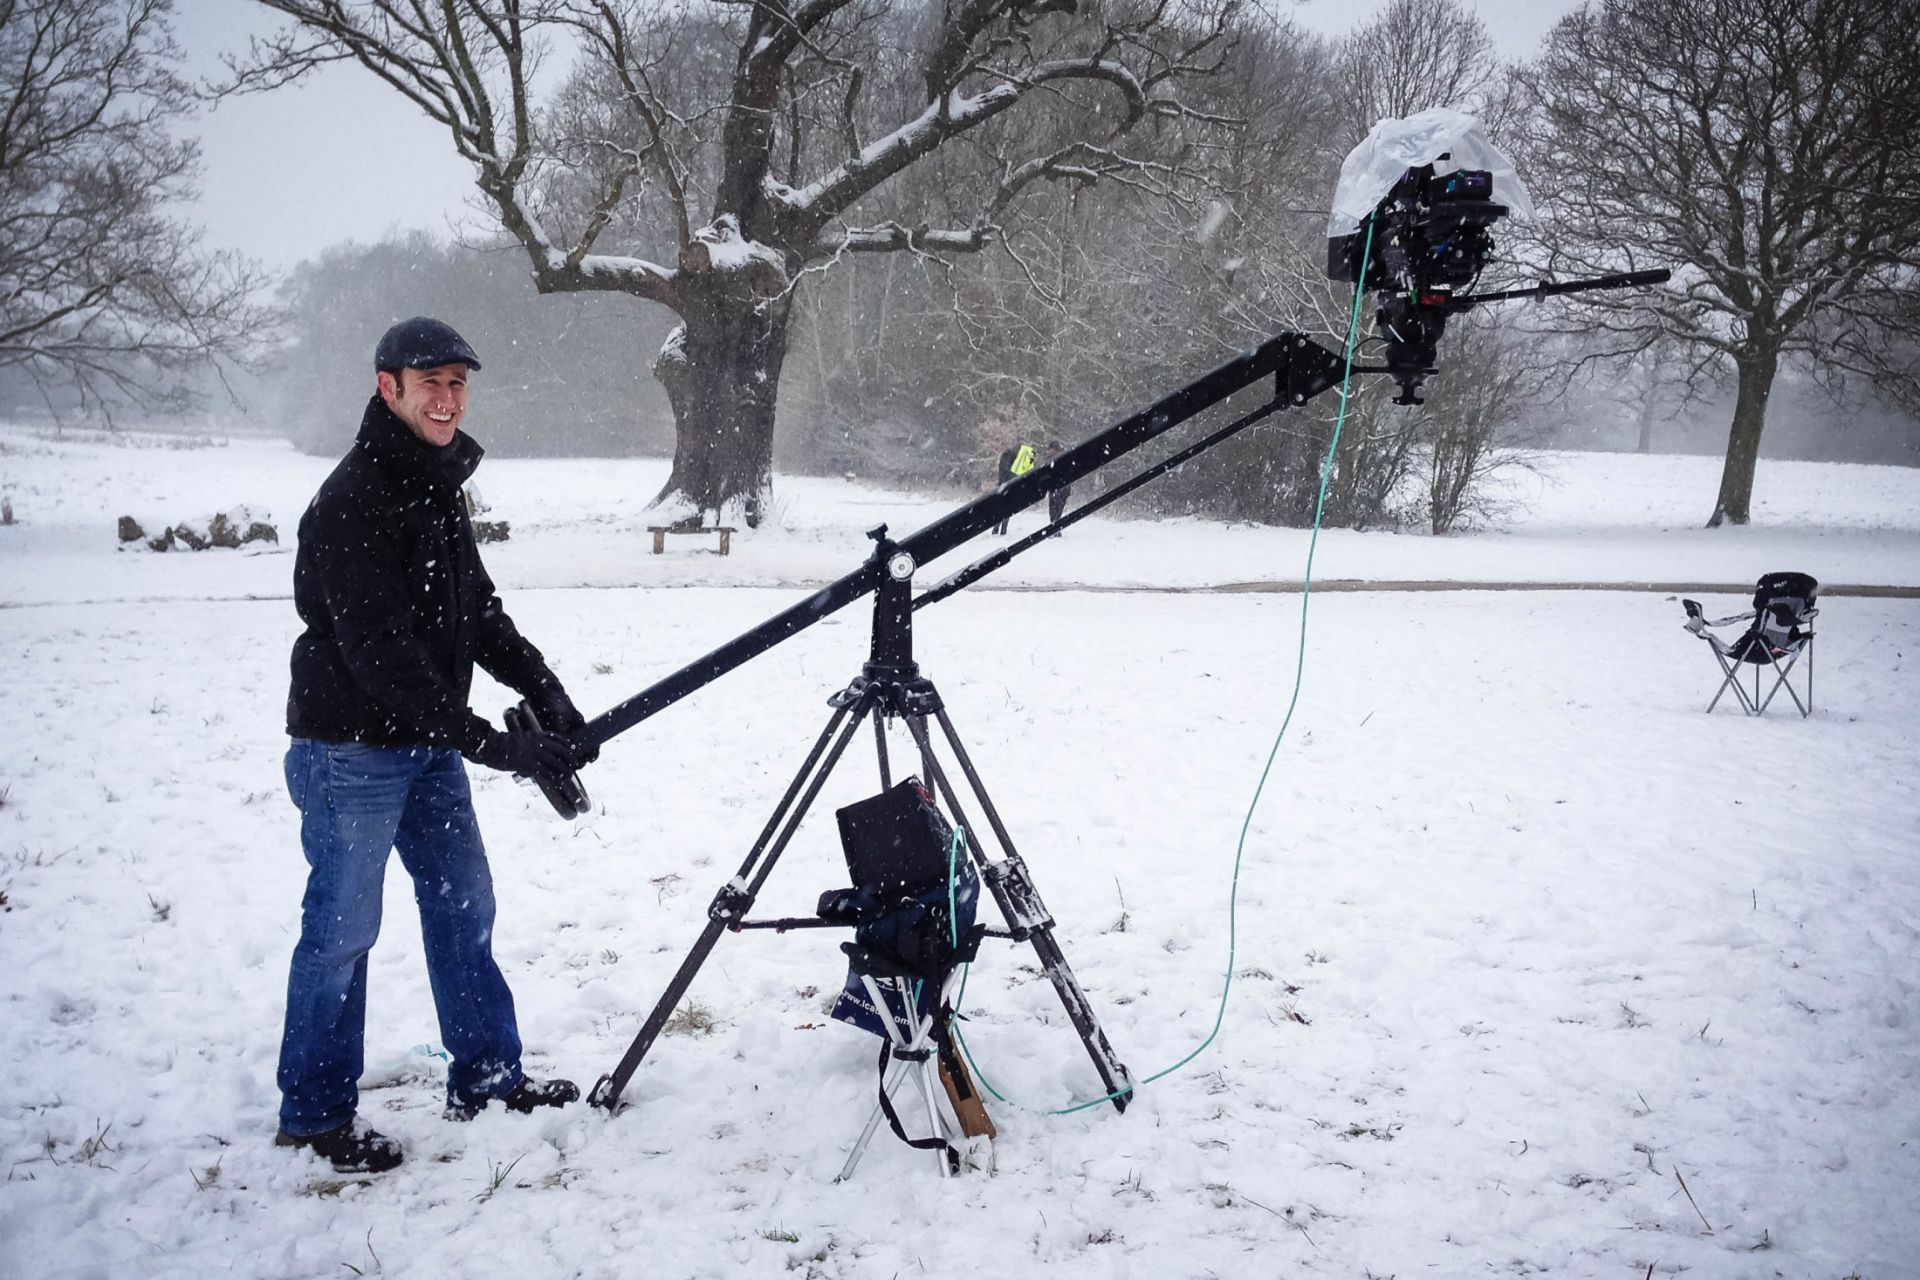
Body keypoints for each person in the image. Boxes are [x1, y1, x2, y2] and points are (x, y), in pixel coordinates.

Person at [273, 317, 595, 1174]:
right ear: (389, 388)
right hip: (353, 751)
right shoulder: (352, 501)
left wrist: (542, 687)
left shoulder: (436, 484)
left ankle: (488, 1079)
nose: (447, 399)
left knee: (464, 907)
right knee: (342, 931)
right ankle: (313, 1117)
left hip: (426, 748)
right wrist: (495, 746)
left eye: (458, 383)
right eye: (431, 383)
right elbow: (386, 665)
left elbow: (476, 611)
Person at [991, 440, 1038, 535]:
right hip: (1005, 485)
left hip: (1005, 484)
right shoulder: (1007, 457)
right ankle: (998, 530)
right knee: (1004, 509)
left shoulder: (1009, 457)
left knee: (1004, 509)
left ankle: (1000, 530)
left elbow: (1007, 471)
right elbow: (1007, 471)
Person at [1045, 438, 1072, 528]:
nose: (1049, 451)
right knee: (1055, 507)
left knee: (1056, 507)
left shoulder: (1062, 457)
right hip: (1058, 486)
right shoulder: (1064, 457)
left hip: (1060, 486)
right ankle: (1055, 526)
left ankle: (1055, 526)